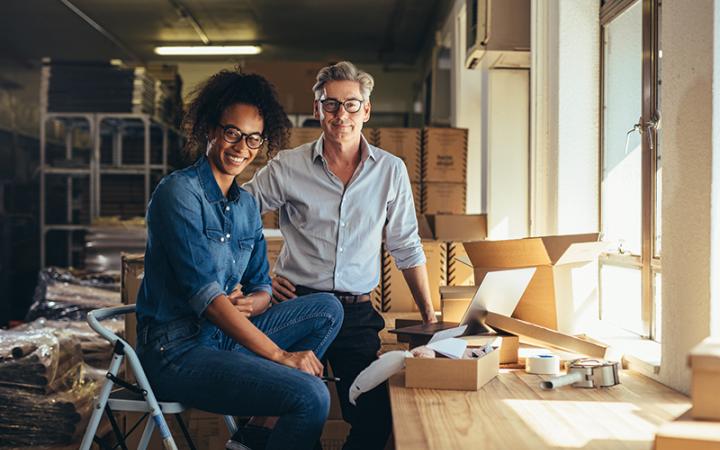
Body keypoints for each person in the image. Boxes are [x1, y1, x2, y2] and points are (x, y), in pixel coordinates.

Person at [135, 70, 344, 450]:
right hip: (176, 352)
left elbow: (261, 283)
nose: (241, 147)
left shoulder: (246, 205)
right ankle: (259, 435)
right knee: (311, 396)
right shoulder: (179, 194)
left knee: (328, 308)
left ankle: (253, 436)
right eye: (232, 132)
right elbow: (207, 300)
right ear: (210, 128)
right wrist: (282, 357)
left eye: (253, 138)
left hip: (221, 338)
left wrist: (254, 301)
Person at [243, 61, 437, 450]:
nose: (340, 115)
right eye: (330, 105)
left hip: (356, 312)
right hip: (297, 306)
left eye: (351, 105)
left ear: (366, 110)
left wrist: (430, 317)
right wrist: (258, 279)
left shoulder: (390, 171)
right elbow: (236, 215)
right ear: (317, 110)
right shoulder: (288, 166)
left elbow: (406, 245)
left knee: (375, 416)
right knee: (299, 413)